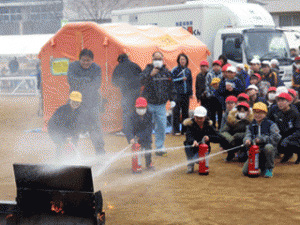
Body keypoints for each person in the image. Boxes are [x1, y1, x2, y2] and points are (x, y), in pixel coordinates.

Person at [67, 49, 105, 155]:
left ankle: (100, 153)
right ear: (79, 59)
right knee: (73, 129)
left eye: (88, 60)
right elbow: (71, 80)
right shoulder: (72, 66)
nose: (85, 63)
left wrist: (80, 81)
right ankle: (71, 154)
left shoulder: (97, 68)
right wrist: (87, 80)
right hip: (75, 104)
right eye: (83, 60)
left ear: (92, 60)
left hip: (92, 104)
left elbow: (96, 84)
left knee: (95, 129)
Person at [140, 51, 175, 156]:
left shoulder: (166, 72)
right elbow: (140, 81)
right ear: (152, 59)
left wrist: (172, 99)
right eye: (155, 59)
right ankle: (145, 147)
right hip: (149, 104)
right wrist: (150, 75)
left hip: (161, 105)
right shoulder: (147, 70)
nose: (157, 61)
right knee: (146, 126)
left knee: (162, 126)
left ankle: (160, 147)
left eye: (159, 59)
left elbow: (171, 87)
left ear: (163, 60)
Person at [183, 106, 228, 173]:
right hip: (193, 147)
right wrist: (193, 141)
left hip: (204, 149)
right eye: (197, 118)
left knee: (199, 160)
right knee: (187, 144)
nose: (199, 120)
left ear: (205, 117)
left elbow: (219, 137)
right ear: (194, 117)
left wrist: (209, 138)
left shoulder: (209, 126)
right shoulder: (190, 125)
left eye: (201, 118)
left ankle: (203, 165)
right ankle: (190, 165)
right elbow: (189, 136)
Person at [242, 102, 281, 178]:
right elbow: (247, 135)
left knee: (268, 147)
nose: (258, 115)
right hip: (255, 151)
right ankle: (262, 167)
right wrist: (247, 140)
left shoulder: (271, 124)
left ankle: (269, 169)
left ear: (265, 114)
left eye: (260, 112)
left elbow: (277, 137)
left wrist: (262, 139)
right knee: (245, 171)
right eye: (256, 112)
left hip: (268, 149)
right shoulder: (250, 125)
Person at [112, 53, 142, 136]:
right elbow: (142, 77)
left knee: (126, 111)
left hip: (125, 93)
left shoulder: (118, 67)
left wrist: (121, 84)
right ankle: (137, 131)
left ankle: (126, 131)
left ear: (119, 60)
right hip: (136, 92)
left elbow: (113, 82)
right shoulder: (135, 65)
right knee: (137, 111)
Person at [48, 91, 82, 158]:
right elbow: (59, 126)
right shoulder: (63, 110)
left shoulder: (78, 111)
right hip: (54, 129)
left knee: (74, 143)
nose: (76, 104)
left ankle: (71, 159)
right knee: (61, 144)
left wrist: (74, 140)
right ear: (70, 101)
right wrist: (65, 138)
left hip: (66, 130)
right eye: (74, 101)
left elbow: (77, 125)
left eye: (77, 102)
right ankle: (58, 162)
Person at [268, 93, 300, 164]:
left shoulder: (295, 113)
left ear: (289, 102)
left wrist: (288, 138)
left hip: (295, 137)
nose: (280, 103)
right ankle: (287, 154)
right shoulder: (276, 111)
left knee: (289, 143)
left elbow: (299, 131)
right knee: (276, 141)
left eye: (283, 100)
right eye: (278, 101)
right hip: (283, 135)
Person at [126, 97, 154, 170]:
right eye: (139, 107)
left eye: (143, 107)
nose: (141, 109)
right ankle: (137, 166)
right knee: (137, 151)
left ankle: (149, 164)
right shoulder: (131, 115)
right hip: (135, 136)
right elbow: (128, 128)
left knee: (148, 149)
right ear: (136, 107)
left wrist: (140, 136)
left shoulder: (149, 114)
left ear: (146, 107)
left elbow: (149, 128)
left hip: (146, 135)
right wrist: (131, 138)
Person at [171, 53, 193, 135]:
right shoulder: (175, 70)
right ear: (178, 61)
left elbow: (190, 82)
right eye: (181, 59)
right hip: (177, 94)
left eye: (184, 59)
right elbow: (171, 80)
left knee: (185, 112)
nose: (182, 61)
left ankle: (184, 130)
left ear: (186, 61)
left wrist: (191, 93)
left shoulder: (188, 70)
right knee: (176, 112)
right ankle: (176, 130)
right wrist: (180, 79)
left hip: (186, 94)